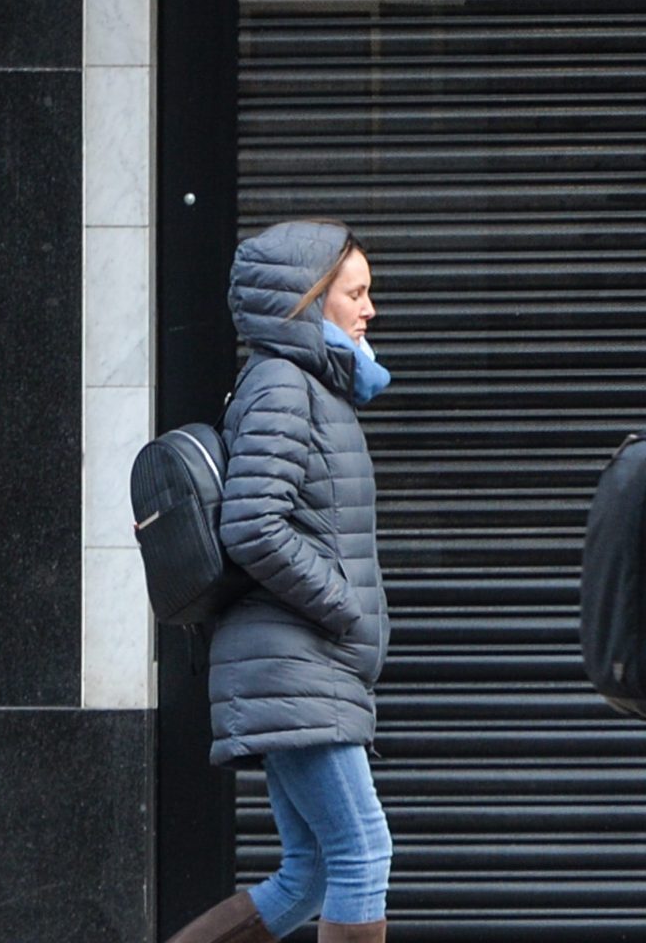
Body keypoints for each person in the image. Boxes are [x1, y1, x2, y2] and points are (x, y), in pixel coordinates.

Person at [164, 221, 395, 943]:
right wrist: (343, 605)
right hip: (298, 662)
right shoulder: (283, 385)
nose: (370, 309)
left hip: (298, 663)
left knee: (309, 873)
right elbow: (251, 527)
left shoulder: (307, 387)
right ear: (307, 300)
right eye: (355, 293)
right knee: (363, 855)